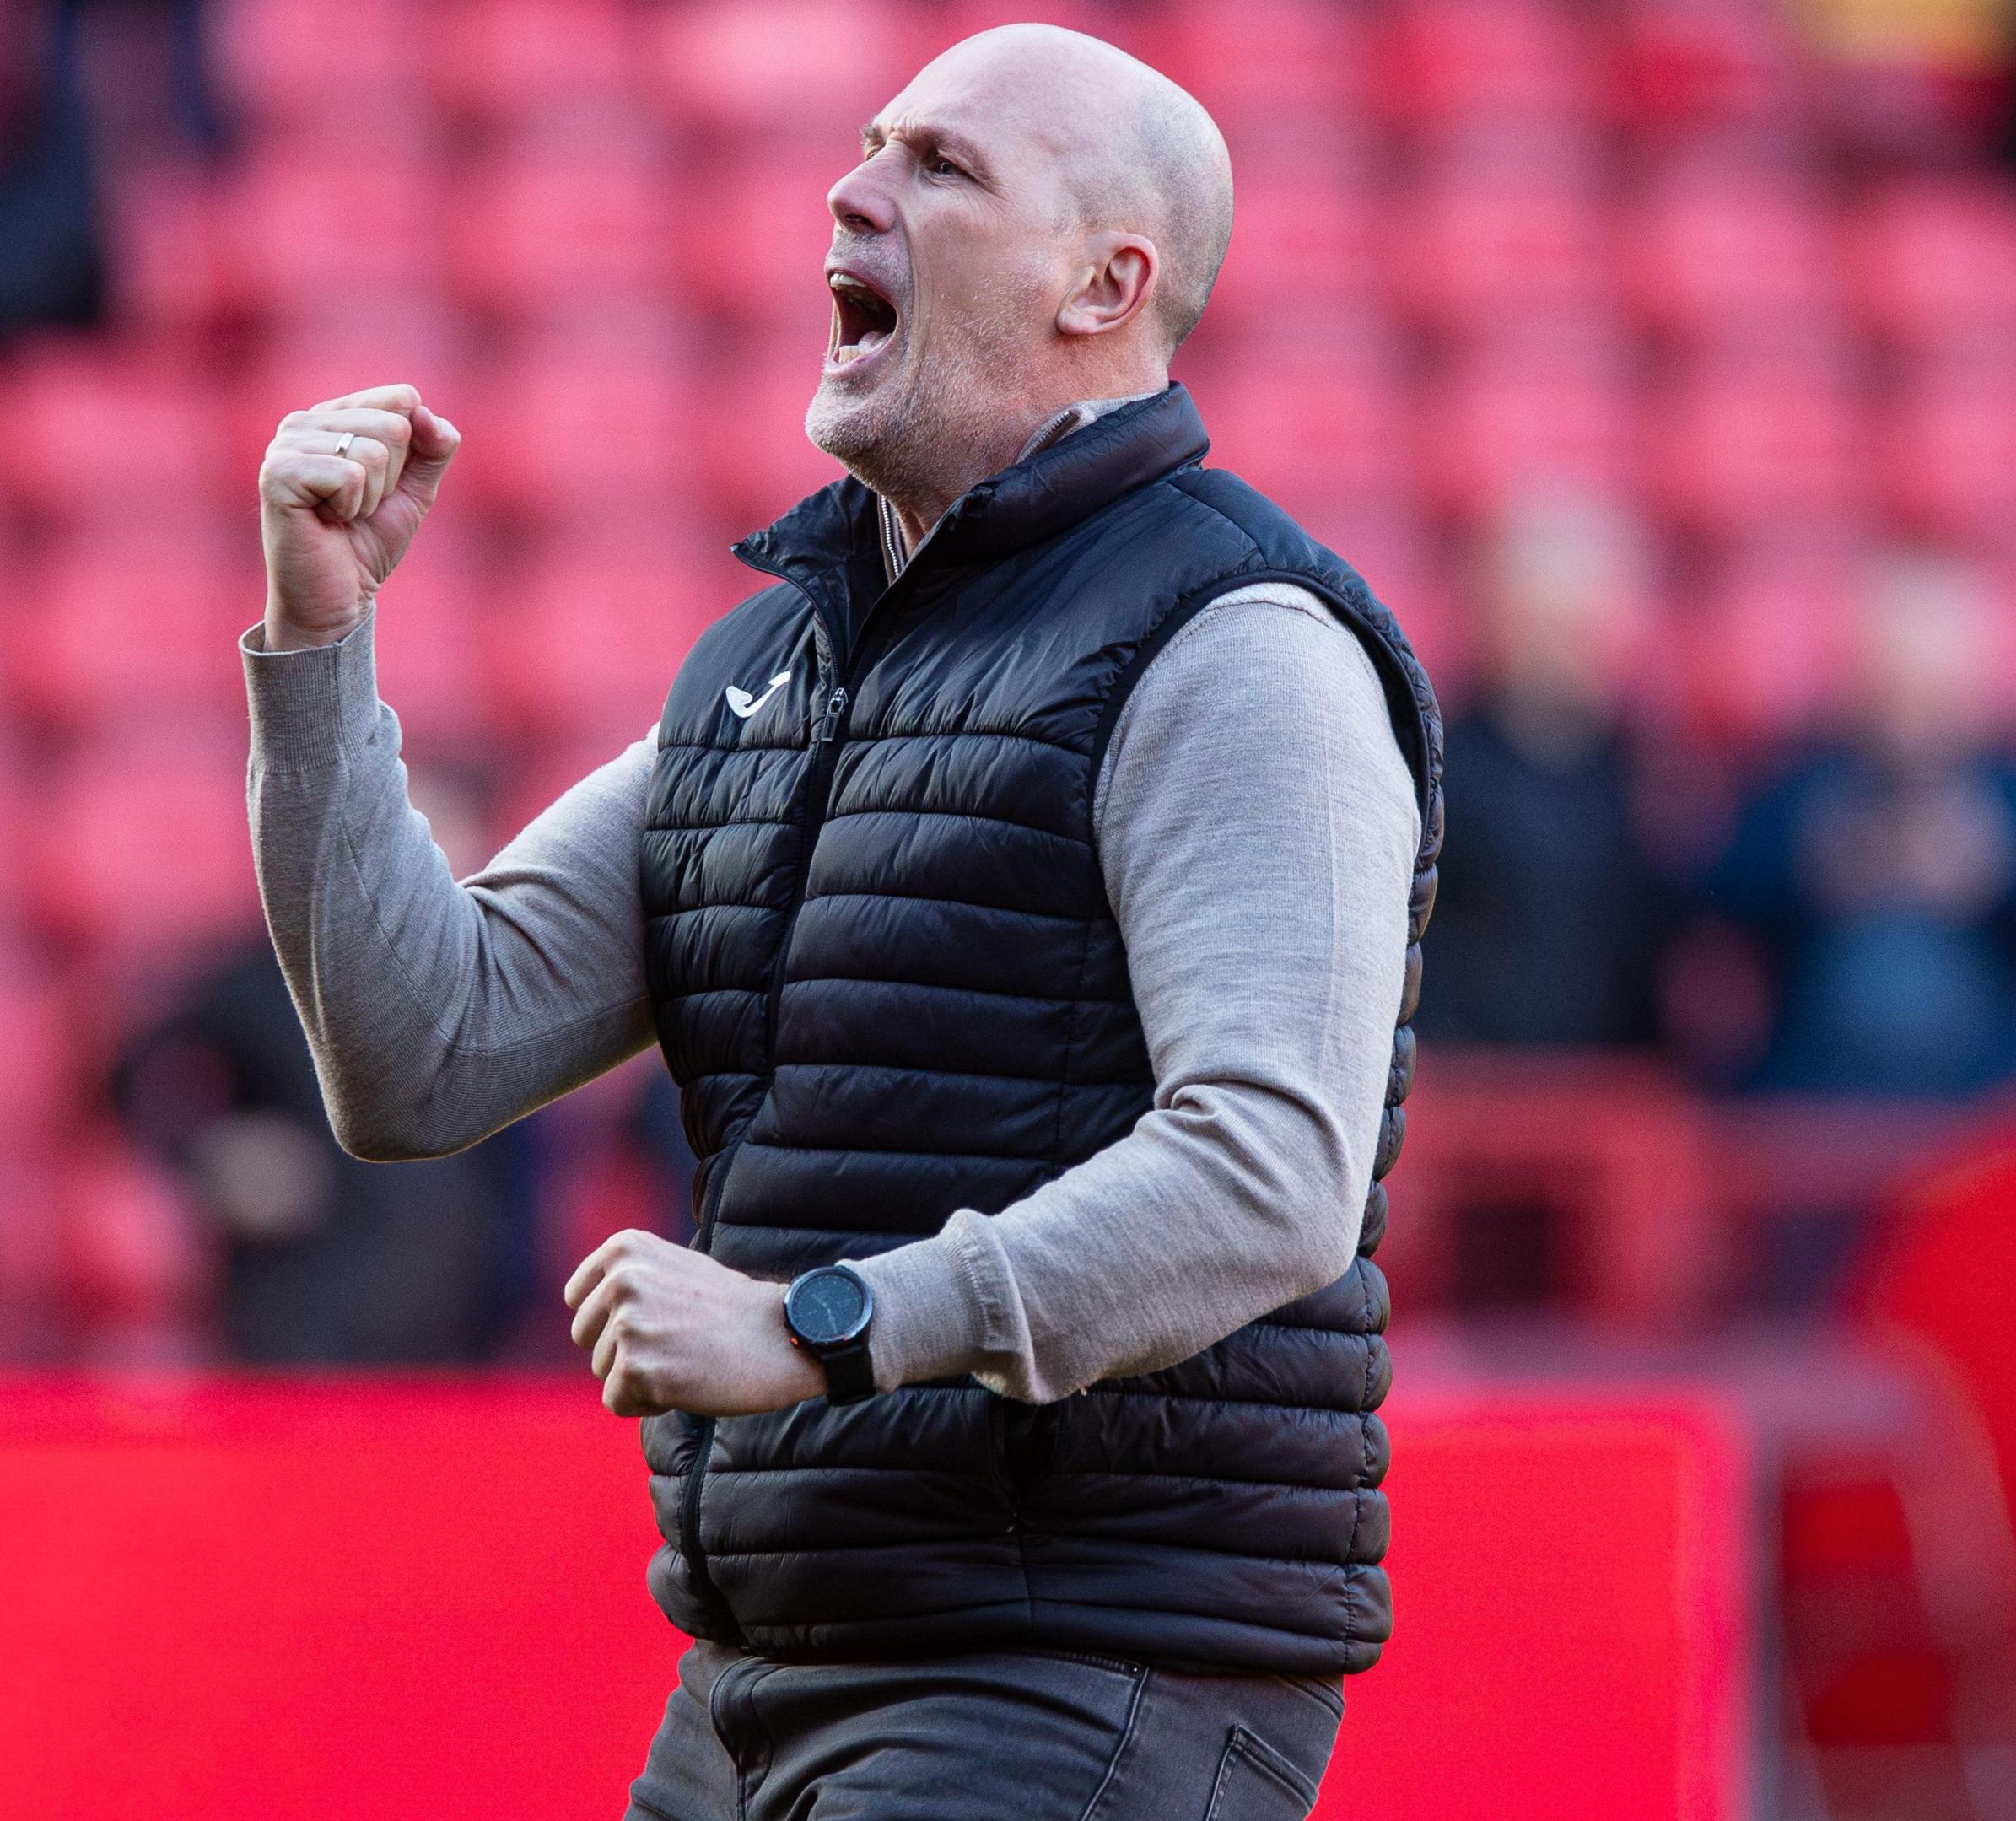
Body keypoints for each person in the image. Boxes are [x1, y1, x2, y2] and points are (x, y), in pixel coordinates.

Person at [240, 25, 1439, 1818]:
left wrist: (817, 1325)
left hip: (1080, 1662)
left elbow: (1272, 1167)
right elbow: (424, 1053)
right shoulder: (775, 662)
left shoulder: (1240, 642)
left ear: (1103, 286)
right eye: (873, 142)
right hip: (761, 1663)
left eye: (941, 168)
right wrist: (320, 643)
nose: (851, 188)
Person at [1706, 553, 2016, 1101]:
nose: (1914, 716)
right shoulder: (1803, 784)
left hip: (1981, 1095)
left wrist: (1996, 867)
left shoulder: (2014, 793)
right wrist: (1817, 865)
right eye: (1896, 687)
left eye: (1934, 691)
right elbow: (1720, 898)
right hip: (1814, 1095)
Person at [110, 933, 542, 1366]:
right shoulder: (263, 979)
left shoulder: (461, 972)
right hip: (307, 1299)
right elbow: (137, 1072)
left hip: (448, 1308)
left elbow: (514, 1153)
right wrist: (212, 1152)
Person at [1418, 488, 1677, 1053]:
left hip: (1618, 1080)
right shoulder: (1435, 770)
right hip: (1470, 1079)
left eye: (1576, 628)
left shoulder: (1648, 775)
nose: (1557, 652)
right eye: (1539, 624)